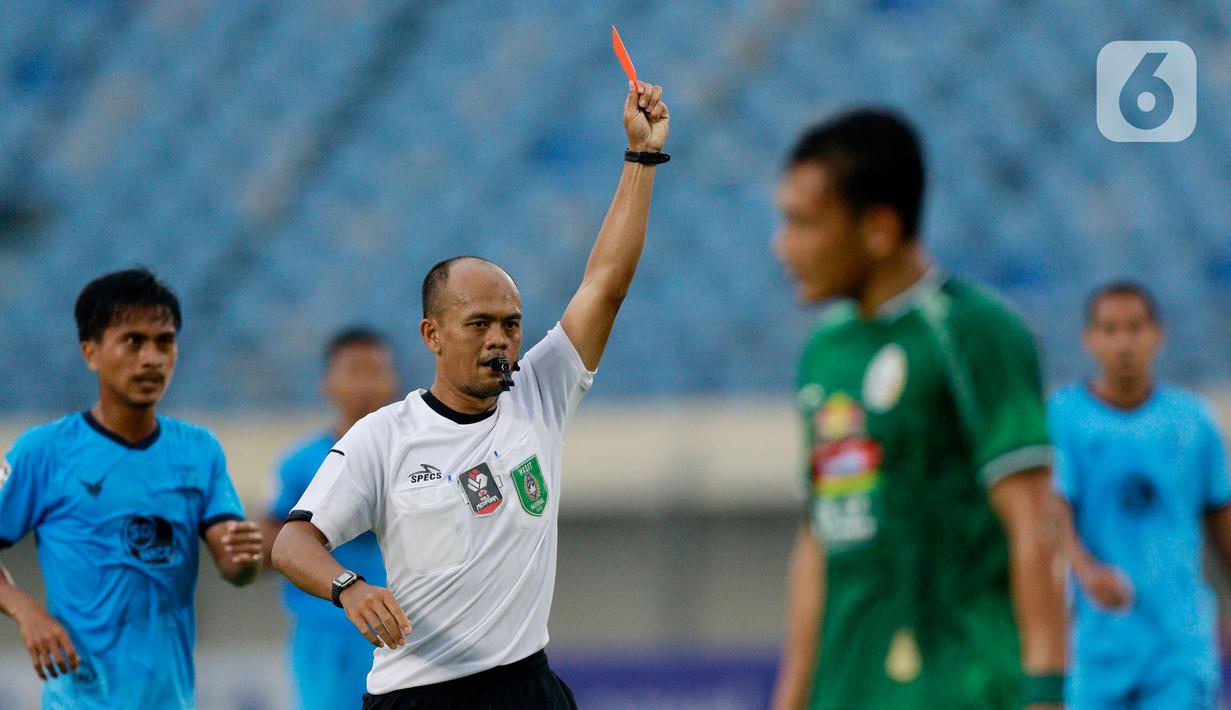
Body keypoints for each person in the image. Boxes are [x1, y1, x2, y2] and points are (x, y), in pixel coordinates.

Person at [271, 77, 670, 710]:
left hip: (524, 685)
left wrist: (641, 157)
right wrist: (349, 586)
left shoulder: (540, 392)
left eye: (510, 324)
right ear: (432, 334)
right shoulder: (385, 435)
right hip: (420, 695)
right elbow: (292, 542)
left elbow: (604, 286)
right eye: (477, 325)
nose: (499, 341)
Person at [768, 109, 1068, 710]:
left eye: (803, 224)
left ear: (878, 228)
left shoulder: (975, 332)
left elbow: (1032, 524)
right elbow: (820, 539)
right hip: (847, 692)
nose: (782, 246)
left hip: (963, 687)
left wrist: (1045, 691)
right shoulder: (826, 352)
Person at [0, 268, 262, 709]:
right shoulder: (45, 452)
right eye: (133, 341)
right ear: (91, 353)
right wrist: (28, 613)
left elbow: (234, 563)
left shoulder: (198, 450)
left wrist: (245, 558)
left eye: (164, 342)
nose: (152, 358)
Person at [1051, 282, 1231, 709]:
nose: (1123, 343)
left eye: (1134, 328)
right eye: (1110, 330)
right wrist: (1086, 571)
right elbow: (1053, 514)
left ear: (1157, 335)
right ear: (1089, 339)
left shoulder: (1193, 422)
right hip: (1095, 648)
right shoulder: (1064, 418)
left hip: (1178, 643)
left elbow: (1220, 517)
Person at [261, 327, 398, 710]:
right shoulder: (300, 464)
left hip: (402, 630)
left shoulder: (414, 459)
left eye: (376, 370)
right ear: (328, 384)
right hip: (326, 635)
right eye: (354, 370)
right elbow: (267, 546)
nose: (366, 384)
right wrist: (328, 524)